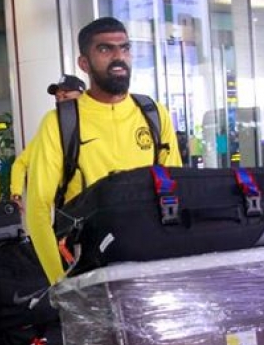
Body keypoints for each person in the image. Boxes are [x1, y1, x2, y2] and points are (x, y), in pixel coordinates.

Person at [26, 17, 182, 283]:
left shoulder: (154, 115)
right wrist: (61, 282)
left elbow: (175, 187)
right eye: (105, 49)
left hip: (153, 260)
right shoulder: (60, 123)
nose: (118, 57)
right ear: (84, 63)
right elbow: (38, 209)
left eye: (125, 48)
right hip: (89, 267)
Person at [11, 76, 86, 204]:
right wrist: (16, 194)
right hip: (70, 210)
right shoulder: (53, 125)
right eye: (58, 98)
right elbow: (21, 162)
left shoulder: (100, 122)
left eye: (66, 97)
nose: (61, 103)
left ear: (83, 96)